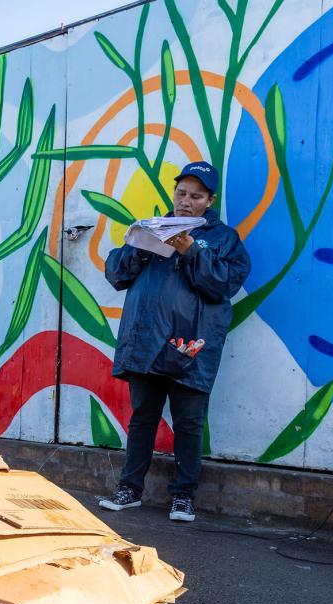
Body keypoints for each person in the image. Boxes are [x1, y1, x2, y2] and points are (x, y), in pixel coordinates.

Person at [98, 161, 251, 522]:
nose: (186, 201)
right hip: (147, 343)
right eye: (181, 193)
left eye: (196, 196)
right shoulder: (151, 228)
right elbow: (116, 273)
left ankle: (183, 496)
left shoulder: (224, 239)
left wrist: (190, 250)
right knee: (142, 419)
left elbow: (224, 285)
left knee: (188, 423)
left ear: (209, 200)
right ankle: (129, 489)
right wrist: (143, 246)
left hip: (190, 348)